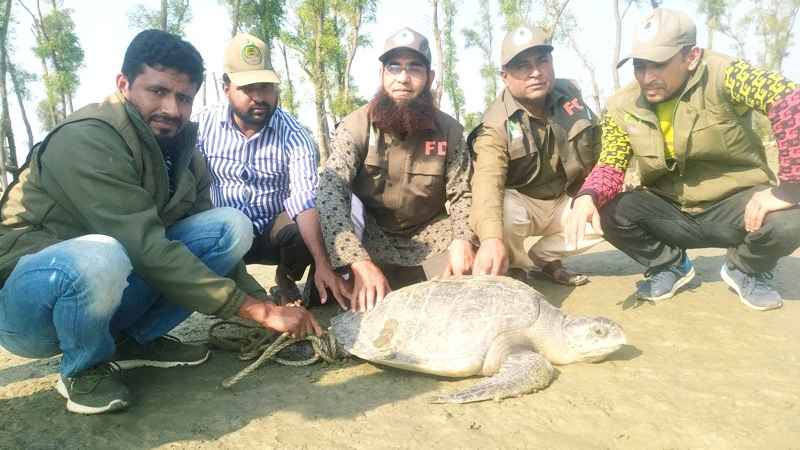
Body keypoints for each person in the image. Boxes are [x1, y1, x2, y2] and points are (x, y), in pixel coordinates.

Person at [0, 30, 321, 415]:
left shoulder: (186, 152)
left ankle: (134, 341)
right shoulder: (88, 138)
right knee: (100, 255)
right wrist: (259, 311)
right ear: (124, 85)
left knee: (229, 226)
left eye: (183, 97)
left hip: (110, 277)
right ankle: (82, 368)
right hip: (27, 302)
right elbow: (145, 246)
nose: (171, 108)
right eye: (157, 91)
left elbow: (207, 251)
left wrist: (262, 306)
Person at [565, 8, 800, 311]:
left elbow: (791, 101)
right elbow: (611, 163)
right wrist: (588, 195)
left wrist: (789, 189)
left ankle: (746, 268)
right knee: (608, 210)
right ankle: (670, 266)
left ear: (691, 57)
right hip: (671, 210)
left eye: (659, 65)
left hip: (737, 208)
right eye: (639, 66)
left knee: (794, 217)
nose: (647, 78)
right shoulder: (620, 105)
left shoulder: (726, 74)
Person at [317, 27, 475, 312]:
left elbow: (463, 193)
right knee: (341, 305)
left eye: (414, 68)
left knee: (465, 300)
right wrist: (358, 261)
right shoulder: (355, 126)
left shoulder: (449, 131)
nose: (403, 78)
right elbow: (331, 191)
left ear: (430, 77)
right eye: (395, 67)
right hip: (371, 237)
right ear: (382, 74)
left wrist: (463, 239)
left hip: (432, 236)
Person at [195, 33, 348, 308]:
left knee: (314, 216)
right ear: (226, 87)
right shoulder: (201, 128)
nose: (258, 97)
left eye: (266, 87)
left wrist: (324, 263)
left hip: (271, 233)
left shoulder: (295, 135)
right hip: (222, 232)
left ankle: (287, 276)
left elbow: (304, 201)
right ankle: (227, 291)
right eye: (247, 88)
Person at [469, 25, 604, 285]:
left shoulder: (571, 96)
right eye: (522, 66)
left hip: (567, 198)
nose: (535, 72)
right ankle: (516, 265)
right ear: (505, 76)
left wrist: (596, 192)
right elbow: (487, 183)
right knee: (501, 210)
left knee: (614, 208)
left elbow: (599, 149)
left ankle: (544, 257)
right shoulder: (495, 123)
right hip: (524, 206)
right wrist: (490, 240)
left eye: (542, 60)